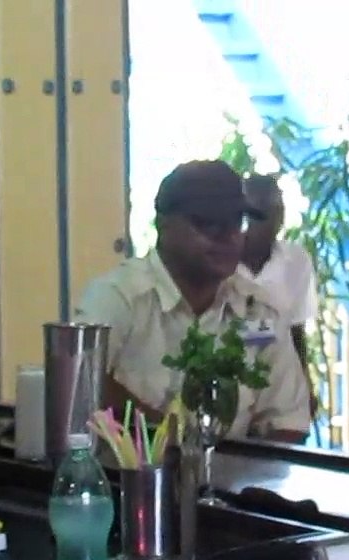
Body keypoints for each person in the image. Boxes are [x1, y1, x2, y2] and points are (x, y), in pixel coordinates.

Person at [74, 160, 312, 443]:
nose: (228, 236)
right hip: (127, 480)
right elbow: (78, 378)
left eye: (236, 222)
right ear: (163, 224)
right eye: (208, 224)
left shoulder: (259, 313)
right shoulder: (120, 298)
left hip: (231, 480)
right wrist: (173, 438)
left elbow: (288, 422)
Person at [237, 173, 319, 416]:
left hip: (280, 378)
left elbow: (296, 331)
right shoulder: (221, 262)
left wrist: (306, 385)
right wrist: (272, 330)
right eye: (260, 212)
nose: (273, 220)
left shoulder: (296, 260)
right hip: (231, 376)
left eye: (278, 210)